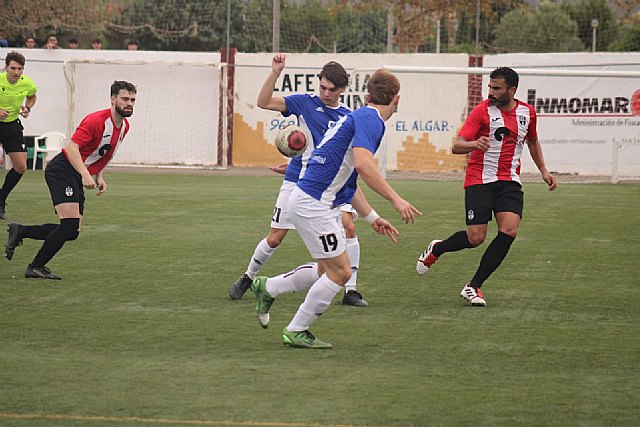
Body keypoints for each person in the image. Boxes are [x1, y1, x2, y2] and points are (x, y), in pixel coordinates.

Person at [251, 69, 421, 348]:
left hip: (312, 200)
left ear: (367, 95)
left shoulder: (358, 117)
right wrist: (395, 199)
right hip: (312, 204)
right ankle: (296, 329)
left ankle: (268, 287)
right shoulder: (371, 119)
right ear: (397, 99)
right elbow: (365, 166)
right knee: (341, 272)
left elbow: (349, 183)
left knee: (325, 270)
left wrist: (372, 216)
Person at [228, 54, 369, 307]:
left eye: (331, 89)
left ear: (343, 90)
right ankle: (248, 277)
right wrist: (275, 73)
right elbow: (263, 102)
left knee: (348, 225)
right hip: (297, 180)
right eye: (322, 87)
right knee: (275, 238)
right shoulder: (305, 103)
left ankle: (351, 290)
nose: (325, 93)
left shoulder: (348, 117)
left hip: (328, 186)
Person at [416, 66, 557, 307]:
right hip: (479, 180)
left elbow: (532, 140)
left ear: (511, 90)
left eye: (496, 88)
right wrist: (474, 144)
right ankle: (438, 248)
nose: (490, 92)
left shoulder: (527, 113)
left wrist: (543, 169)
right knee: (475, 238)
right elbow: (457, 145)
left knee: (509, 230)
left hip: (509, 181)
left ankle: (474, 286)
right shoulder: (482, 112)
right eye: (489, 87)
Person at [4, 80, 137, 279]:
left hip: (76, 172)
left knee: (72, 231)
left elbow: (105, 153)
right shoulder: (96, 120)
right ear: (113, 99)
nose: (129, 103)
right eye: (125, 99)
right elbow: (72, 147)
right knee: (68, 225)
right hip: (63, 169)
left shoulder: (124, 126)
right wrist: (84, 174)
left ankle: (21, 230)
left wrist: (99, 175)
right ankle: (35, 267)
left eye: (133, 100)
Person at [0, 51, 37, 220]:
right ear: (6, 67)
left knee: (21, 167)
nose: (16, 72)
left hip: (12, 127)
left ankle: (1, 199)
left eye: (20, 69)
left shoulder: (27, 83)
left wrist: (27, 108)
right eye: (13, 68)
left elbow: (32, 96)